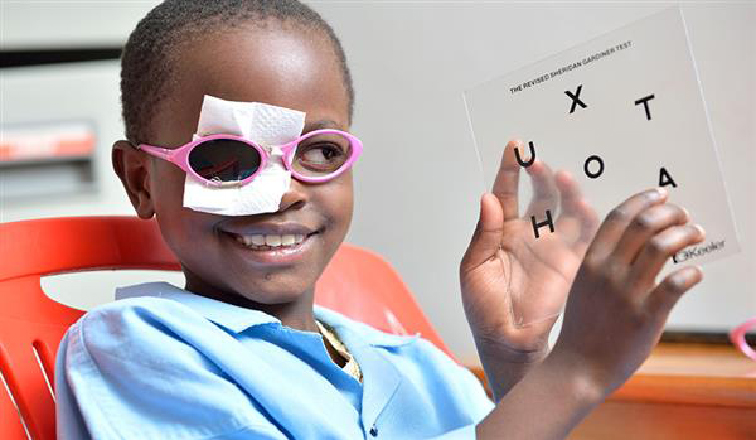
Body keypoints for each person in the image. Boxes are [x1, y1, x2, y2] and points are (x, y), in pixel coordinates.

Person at [54, 1, 706, 439]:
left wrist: (517, 362)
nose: (282, 195)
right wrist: (577, 369)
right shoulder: (139, 346)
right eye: (226, 160)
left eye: (319, 152)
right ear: (141, 179)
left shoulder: (409, 362)